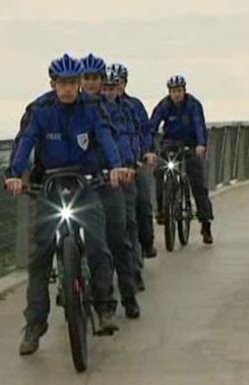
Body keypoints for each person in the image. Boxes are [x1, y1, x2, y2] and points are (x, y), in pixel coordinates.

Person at [5, 54, 123, 355]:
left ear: (80, 84)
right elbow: (27, 142)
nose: (68, 89)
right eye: (62, 84)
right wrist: (15, 174)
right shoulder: (41, 110)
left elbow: (106, 139)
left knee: (98, 244)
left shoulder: (92, 108)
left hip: (85, 184)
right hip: (51, 187)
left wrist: (116, 167)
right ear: (53, 84)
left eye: (73, 83)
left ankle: (104, 307)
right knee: (40, 257)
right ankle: (35, 324)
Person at [81, 54, 145, 312]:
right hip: (78, 182)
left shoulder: (115, 109)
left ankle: (128, 295)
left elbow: (118, 140)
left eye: (99, 80)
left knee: (119, 236)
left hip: (111, 177)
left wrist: (124, 165)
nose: (94, 85)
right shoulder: (70, 106)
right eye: (88, 79)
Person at [151, 75, 214, 244]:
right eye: (173, 91)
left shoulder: (193, 105)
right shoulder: (164, 105)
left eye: (179, 91)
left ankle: (205, 223)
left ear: (184, 90)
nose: (176, 94)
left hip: (190, 145)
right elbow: (152, 125)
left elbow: (199, 125)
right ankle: (162, 210)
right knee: (159, 172)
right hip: (170, 144)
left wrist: (201, 144)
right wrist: (150, 147)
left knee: (198, 183)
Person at [100, 66, 142, 318]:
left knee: (122, 231)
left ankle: (129, 291)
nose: (105, 91)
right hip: (87, 182)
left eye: (109, 86)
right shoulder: (82, 109)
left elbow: (123, 139)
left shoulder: (125, 109)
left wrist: (127, 164)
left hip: (119, 177)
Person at [111, 62, 159, 259]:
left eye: (120, 82)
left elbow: (145, 130)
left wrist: (147, 151)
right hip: (109, 169)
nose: (117, 86)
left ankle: (146, 245)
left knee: (143, 204)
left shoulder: (134, 106)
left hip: (135, 163)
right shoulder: (96, 107)